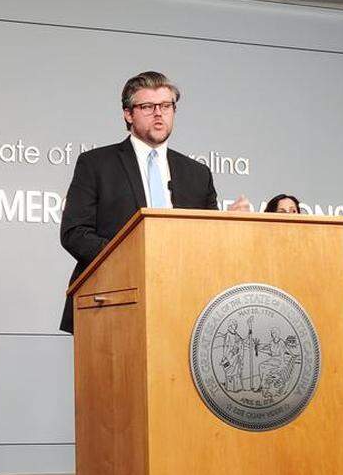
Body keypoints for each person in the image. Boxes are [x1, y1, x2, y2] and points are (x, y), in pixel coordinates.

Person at [59, 71, 249, 332]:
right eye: (148, 106)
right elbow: (75, 234)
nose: (159, 113)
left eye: (166, 105)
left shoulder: (197, 173)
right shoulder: (96, 164)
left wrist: (226, 226)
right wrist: (135, 258)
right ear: (128, 114)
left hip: (183, 305)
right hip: (113, 301)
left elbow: (204, 244)